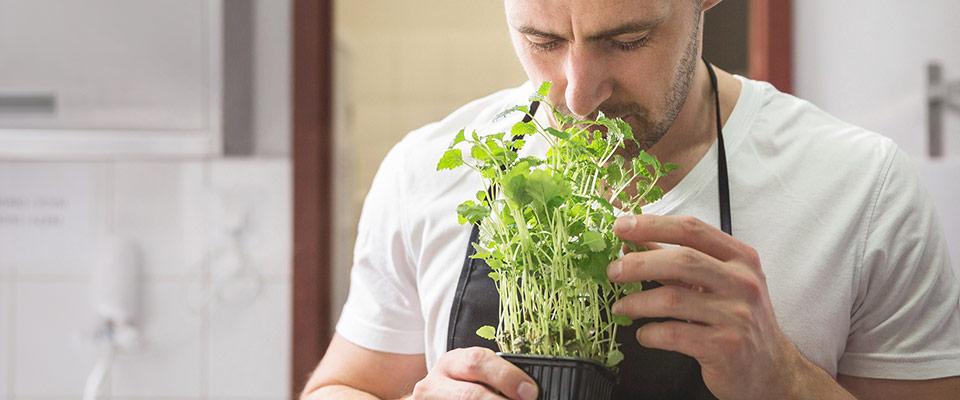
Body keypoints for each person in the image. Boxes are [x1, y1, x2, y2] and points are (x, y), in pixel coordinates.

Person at [301, 0, 960, 398]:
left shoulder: (862, 187)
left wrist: (786, 382)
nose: (579, 93)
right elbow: (345, 386)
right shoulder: (427, 169)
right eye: (542, 41)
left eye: (626, 40)